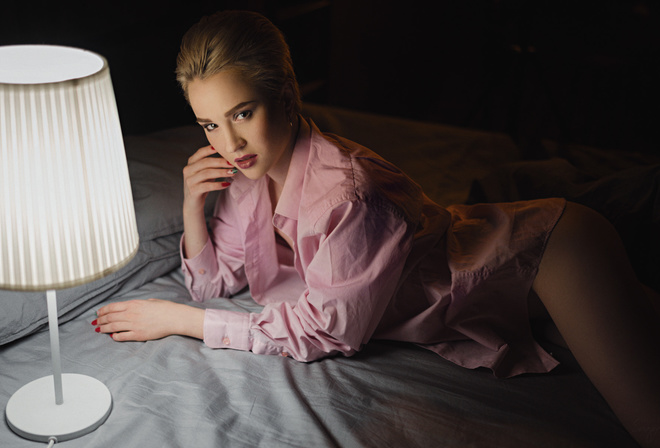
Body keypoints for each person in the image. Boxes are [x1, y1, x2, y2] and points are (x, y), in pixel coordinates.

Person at [94, 10, 660, 447]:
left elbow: (331, 334)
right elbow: (213, 283)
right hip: (495, 262)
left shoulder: (347, 194)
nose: (229, 143)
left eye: (242, 113)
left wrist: (183, 323)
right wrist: (194, 202)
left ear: (286, 96)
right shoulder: (245, 176)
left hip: (551, 256)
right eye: (209, 124)